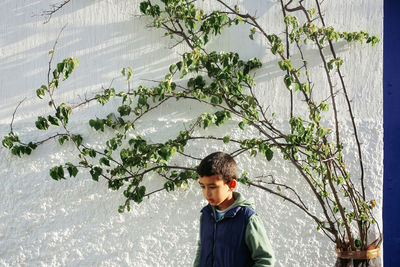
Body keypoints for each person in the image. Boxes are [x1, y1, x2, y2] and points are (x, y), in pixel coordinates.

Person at [193, 152, 275, 267]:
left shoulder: (247, 218)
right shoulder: (206, 215)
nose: (207, 193)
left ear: (231, 184)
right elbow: (202, 249)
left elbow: (265, 260)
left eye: (212, 187)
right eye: (202, 186)